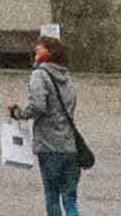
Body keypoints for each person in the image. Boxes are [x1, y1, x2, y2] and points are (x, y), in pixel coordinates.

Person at [8, 38, 81, 216]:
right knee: (70, 198)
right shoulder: (66, 75)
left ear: (47, 54)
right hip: (70, 145)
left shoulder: (39, 75)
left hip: (49, 145)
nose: (35, 52)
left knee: (52, 195)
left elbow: (38, 105)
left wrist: (19, 113)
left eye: (38, 50)